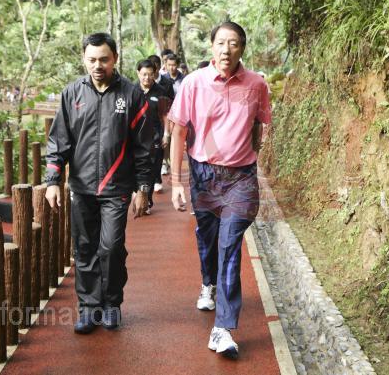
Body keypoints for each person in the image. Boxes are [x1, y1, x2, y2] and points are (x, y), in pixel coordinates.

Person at [168, 21, 272, 359]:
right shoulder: (193, 83)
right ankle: (207, 282)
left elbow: (259, 125)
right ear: (211, 46)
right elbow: (179, 132)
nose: (227, 50)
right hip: (203, 175)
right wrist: (176, 182)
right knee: (208, 238)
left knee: (230, 246)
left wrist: (249, 157)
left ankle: (223, 328)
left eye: (234, 43)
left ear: (242, 48)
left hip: (241, 178)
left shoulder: (257, 84)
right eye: (221, 43)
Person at [45, 32, 153, 334]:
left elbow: (145, 147)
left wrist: (144, 189)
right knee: (84, 248)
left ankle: (112, 304)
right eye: (91, 60)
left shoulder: (132, 95)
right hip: (81, 188)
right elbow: (59, 141)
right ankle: (89, 307)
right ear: (84, 59)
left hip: (116, 188)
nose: (97, 65)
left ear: (114, 59)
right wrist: (53, 180)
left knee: (111, 247)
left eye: (104, 59)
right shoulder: (72, 94)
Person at [135, 58, 174, 204]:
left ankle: (147, 200)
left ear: (155, 74)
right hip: (136, 136)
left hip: (155, 136)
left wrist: (166, 134)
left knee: (152, 169)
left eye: (150, 74)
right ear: (138, 73)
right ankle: (138, 196)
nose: (147, 78)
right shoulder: (132, 90)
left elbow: (165, 114)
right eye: (144, 74)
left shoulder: (160, 91)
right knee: (136, 168)